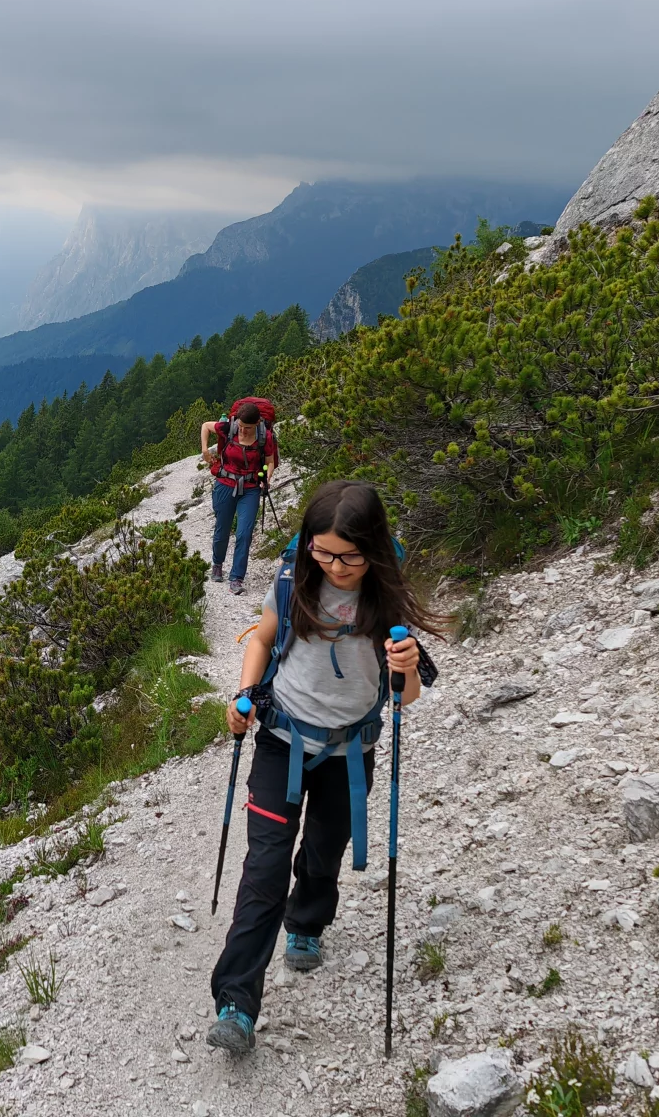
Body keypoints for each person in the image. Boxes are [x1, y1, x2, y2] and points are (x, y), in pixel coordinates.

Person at [205, 479, 444, 1057]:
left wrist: (406, 665)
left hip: (349, 754)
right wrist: (242, 696)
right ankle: (235, 1001)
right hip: (281, 741)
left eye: (348, 556)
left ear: (374, 550)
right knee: (264, 866)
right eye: (323, 552)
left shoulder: (387, 601)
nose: (334, 565)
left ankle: (307, 922)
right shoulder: (292, 581)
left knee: (323, 848)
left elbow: (405, 698)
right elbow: (262, 641)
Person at [199, 400, 279, 595]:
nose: (242, 431)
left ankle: (236, 578)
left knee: (244, 533)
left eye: (247, 428)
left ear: (258, 423)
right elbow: (206, 426)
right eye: (241, 427)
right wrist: (204, 450)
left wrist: (268, 475)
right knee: (222, 529)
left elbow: (269, 461)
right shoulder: (229, 427)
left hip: (251, 487)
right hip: (225, 483)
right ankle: (217, 564)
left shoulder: (264, 436)